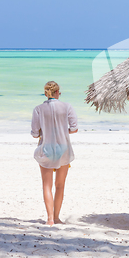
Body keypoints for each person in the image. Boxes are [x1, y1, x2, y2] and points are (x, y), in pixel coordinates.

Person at [31, 81, 78, 225]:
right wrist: (63, 132)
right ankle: (57, 218)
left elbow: (34, 133)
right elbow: (74, 128)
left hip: (46, 149)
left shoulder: (38, 109)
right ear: (57, 92)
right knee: (60, 185)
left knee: (47, 185)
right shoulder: (67, 106)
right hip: (63, 149)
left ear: (46, 93)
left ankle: (50, 219)